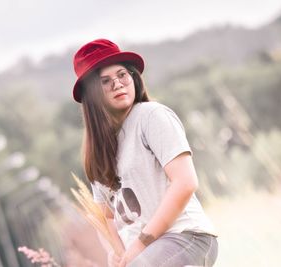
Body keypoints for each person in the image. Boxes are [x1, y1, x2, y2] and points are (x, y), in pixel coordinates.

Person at [71, 39, 218, 267]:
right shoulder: (97, 152)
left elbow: (185, 182)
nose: (118, 84)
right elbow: (108, 217)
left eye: (122, 75)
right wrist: (118, 254)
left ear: (133, 78)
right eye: (105, 81)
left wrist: (140, 245)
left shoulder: (151, 116)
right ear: (91, 95)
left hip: (185, 236)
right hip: (144, 254)